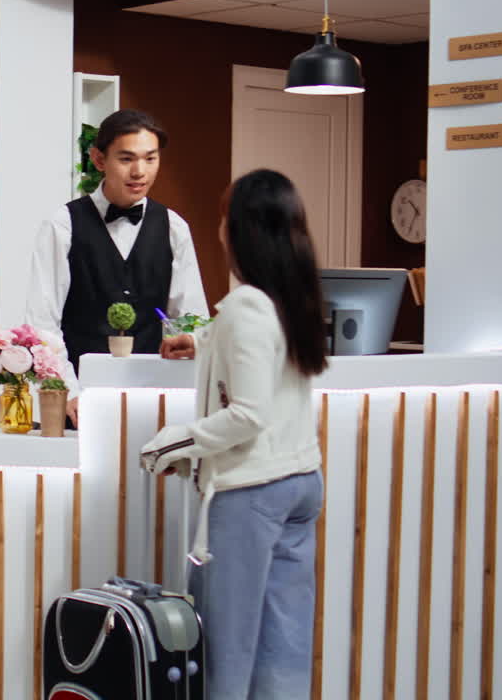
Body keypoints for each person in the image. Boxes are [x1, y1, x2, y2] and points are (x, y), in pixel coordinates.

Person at [141, 169, 328, 700]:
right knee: (282, 644)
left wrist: (169, 444)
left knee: (226, 649)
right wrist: (204, 343)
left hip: (250, 491)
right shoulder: (289, 298)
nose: (218, 229)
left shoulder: (247, 307)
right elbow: (263, 364)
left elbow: (247, 413)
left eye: (224, 218)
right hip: (299, 481)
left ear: (240, 231)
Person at [25, 109, 208, 424]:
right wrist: (68, 391)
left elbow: (190, 318)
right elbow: (43, 324)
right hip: (78, 401)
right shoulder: (63, 225)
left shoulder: (174, 227)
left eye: (150, 159)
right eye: (126, 159)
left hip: (153, 401)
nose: (140, 171)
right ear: (99, 160)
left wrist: (191, 343)